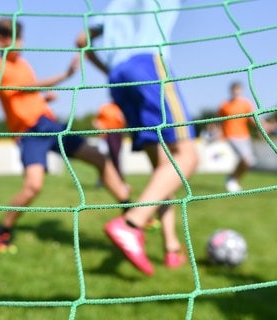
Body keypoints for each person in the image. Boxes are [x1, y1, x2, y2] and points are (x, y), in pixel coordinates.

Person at [76, 0, 197, 276]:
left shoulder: (115, 4)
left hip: (119, 77)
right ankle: (131, 224)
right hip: (148, 64)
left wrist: (108, 68)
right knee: (186, 156)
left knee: (165, 170)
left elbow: (81, 40)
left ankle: (171, 246)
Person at [0, 18, 130, 252]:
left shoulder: (23, 65)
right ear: (1, 40)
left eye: (21, 38)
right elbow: (27, 89)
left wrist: (44, 100)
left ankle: (131, 212)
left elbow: (25, 97)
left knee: (98, 157)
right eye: (15, 38)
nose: (20, 44)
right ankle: (2, 232)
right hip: (30, 133)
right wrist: (64, 76)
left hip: (48, 124)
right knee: (33, 187)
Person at [218, 82, 256, 192]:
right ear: (231, 91)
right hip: (231, 135)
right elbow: (219, 121)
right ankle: (233, 180)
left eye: (238, 90)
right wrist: (219, 133)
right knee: (246, 159)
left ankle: (233, 178)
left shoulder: (246, 103)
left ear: (241, 91)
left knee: (248, 162)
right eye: (234, 90)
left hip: (245, 135)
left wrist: (261, 128)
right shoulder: (224, 105)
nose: (236, 92)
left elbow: (252, 118)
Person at [93, 102, 126, 181]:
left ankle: (118, 179)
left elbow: (124, 121)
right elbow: (96, 121)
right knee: (104, 156)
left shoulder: (121, 107)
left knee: (115, 156)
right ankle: (102, 179)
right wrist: (100, 127)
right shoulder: (105, 108)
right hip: (105, 135)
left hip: (117, 134)